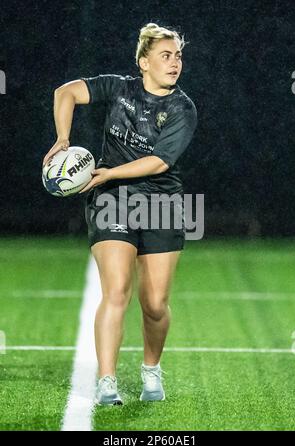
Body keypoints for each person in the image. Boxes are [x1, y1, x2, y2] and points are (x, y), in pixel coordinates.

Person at [43, 23, 197, 406]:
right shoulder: (119, 88)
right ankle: (107, 381)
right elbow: (66, 92)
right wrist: (63, 138)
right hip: (111, 199)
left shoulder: (183, 108)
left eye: (177, 55)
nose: (174, 62)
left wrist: (108, 170)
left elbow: (160, 162)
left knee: (155, 303)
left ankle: (150, 369)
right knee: (116, 291)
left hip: (162, 203)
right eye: (165, 55)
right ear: (144, 62)